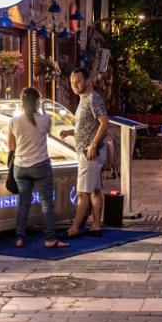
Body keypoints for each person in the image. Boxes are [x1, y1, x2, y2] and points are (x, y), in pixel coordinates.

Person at [7, 87, 69, 249]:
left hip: (20, 167)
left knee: (23, 203)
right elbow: (48, 133)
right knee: (46, 203)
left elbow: (11, 146)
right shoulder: (45, 119)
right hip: (41, 164)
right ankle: (50, 238)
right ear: (37, 102)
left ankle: (19, 238)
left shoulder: (13, 121)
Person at [59, 68, 110, 239]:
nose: (75, 85)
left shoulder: (93, 99)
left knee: (82, 192)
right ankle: (95, 226)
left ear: (88, 80)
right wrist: (70, 132)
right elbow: (88, 126)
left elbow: (104, 123)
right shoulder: (83, 99)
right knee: (94, 190)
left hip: (90, 153)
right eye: (73, 82)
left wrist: (93, 144)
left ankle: (74, 229)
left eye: (78, 81)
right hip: (87, 151)